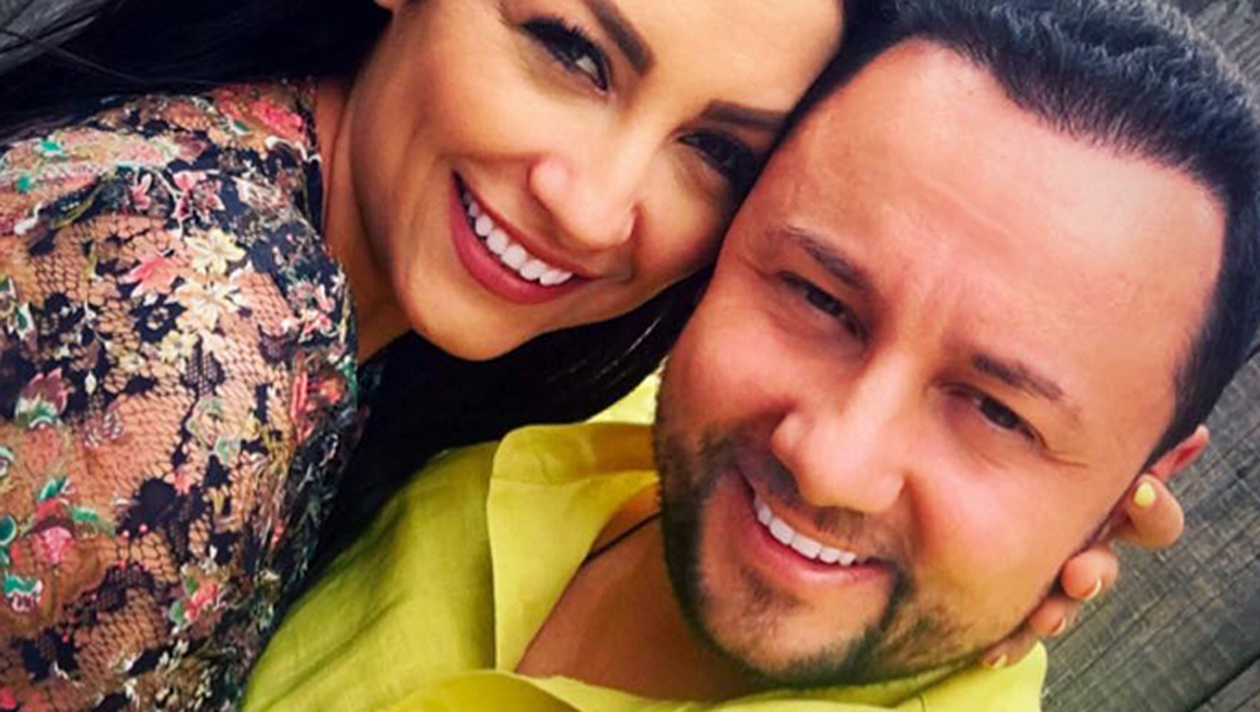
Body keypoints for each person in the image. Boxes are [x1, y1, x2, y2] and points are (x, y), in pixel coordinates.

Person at [242, 0, 1260, 710]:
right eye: (820, 300)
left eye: (997, 412)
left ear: (1132, 494)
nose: (831, 461)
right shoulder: (570, 390)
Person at [0, 0, 848, 708]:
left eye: (716, 151)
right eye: (571, 52)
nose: (593, 210)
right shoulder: (197, 343)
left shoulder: (308, 259)